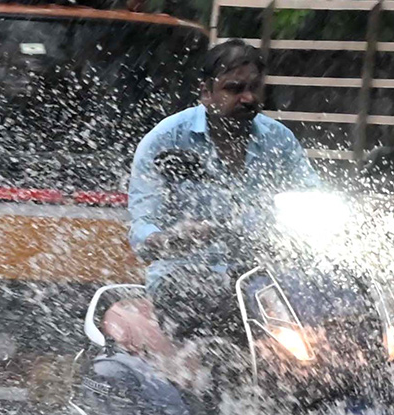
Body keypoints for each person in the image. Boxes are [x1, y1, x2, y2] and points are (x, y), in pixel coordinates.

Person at [105, 39, 321, 352]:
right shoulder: (166, 140)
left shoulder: (278, 140)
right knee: (229, 316)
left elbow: (309, 196)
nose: (248, 98)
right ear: (206, 92)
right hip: (184, 277)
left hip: (263, 278)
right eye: (234, 88)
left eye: (254, 88)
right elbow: (143, 227)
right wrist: (171, 240)